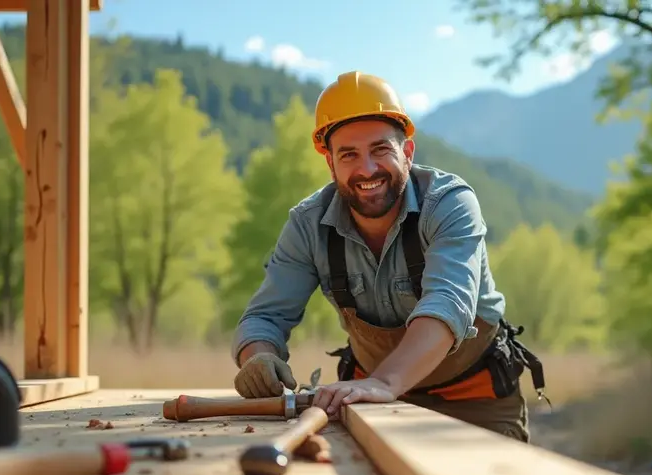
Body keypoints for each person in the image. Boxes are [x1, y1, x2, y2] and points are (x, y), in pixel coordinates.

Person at [230, 71, 546, 442]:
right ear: (331, 164)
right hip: (368, 402)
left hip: (473, 398)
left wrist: (386, 381)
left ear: (407, 153)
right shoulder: (307, 225)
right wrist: (258, 356)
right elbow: (265, 316)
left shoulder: (450, 204)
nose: (366, 169)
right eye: (349, 155)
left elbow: (448, 303)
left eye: (380, 149)